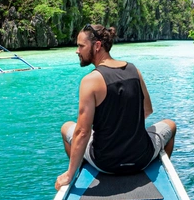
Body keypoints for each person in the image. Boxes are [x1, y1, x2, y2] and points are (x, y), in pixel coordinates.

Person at [54, 24, 177, 191]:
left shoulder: (90, 81)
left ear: (97, 46)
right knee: (170, 125)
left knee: (66, 128)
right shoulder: (134, 70)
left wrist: (68, 175)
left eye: (81, 46)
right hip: (141, 159)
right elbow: (146, 111)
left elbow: (83, 132)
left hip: (105, 164)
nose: (77, 50)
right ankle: (157, 169)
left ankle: (77, 170)